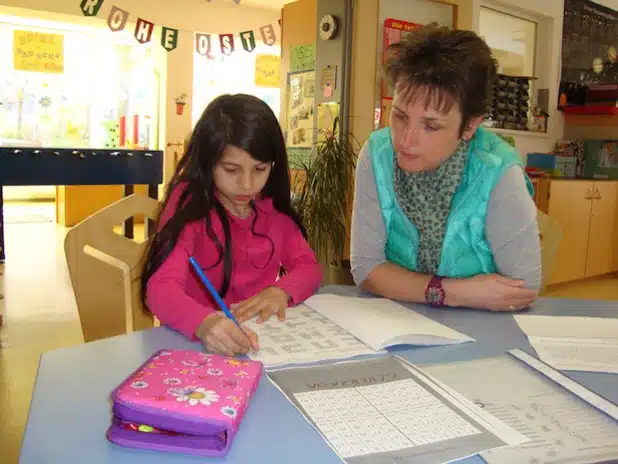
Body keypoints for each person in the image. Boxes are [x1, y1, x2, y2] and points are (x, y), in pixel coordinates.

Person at [351, 24, 541, 312]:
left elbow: (522, 287)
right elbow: (366, 268)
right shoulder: (376, 155)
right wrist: (450, 291)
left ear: (470, 126)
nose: (405, 140)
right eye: (400, 116)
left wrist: (404, 283)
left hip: (482, 331)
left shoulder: (498, 172)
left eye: (431, 126)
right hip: (395, 322)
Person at [141, 94, 322, 356]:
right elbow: (160, 289)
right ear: (208, 163)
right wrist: (204, 323)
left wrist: (280, 291)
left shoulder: (273, 210)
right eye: (231, 169)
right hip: (191, 344)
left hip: (255, 343)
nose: (247, 185)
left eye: (259, 169)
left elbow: (309, 268)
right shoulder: (190, 205)